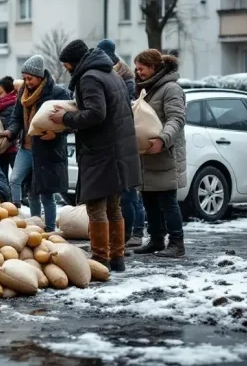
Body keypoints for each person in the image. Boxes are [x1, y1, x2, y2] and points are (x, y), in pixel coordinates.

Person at [50, 39, 141, 272]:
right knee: (114, 206)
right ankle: (117, 257)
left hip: (101, 151)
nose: (66, 69)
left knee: (96, 206)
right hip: (118, 149)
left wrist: (66, 119)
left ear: (74, 62)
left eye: (67, 64)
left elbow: (96, 113)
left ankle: (101, 257)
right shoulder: (111, 74)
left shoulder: (90, 77)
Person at [0, 56, 69, 232]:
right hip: (26, 147)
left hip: (48, 150)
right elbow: (16, 118)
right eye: (24, 78)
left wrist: (56, 133)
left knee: (45, 193)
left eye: (29, 78)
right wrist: (10, 132)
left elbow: (70, 121)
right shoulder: (23, 93)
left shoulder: (57, 93)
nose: (26, 81)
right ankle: (27, 222)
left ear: (39, 77)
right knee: (18, 182)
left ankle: (50, 230)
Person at [133, 50, 187, 258]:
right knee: (149, 201)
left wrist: (163, 140)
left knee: (167, 202)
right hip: (147, 155)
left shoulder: (170, 89)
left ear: (154, 67)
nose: (138, 73)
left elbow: (176, 119)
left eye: (142, 68)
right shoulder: (146, 89)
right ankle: (156, 240)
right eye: (137, 69)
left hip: (165, 153)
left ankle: (176, 243)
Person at [96, 39, 145, 247]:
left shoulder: (124, 77)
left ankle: (135, 233)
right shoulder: (117, 75)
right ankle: (126, 235)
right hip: (118, 140)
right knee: (125, 193)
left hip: (125, 139)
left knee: (129, 193)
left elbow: (124, 104)